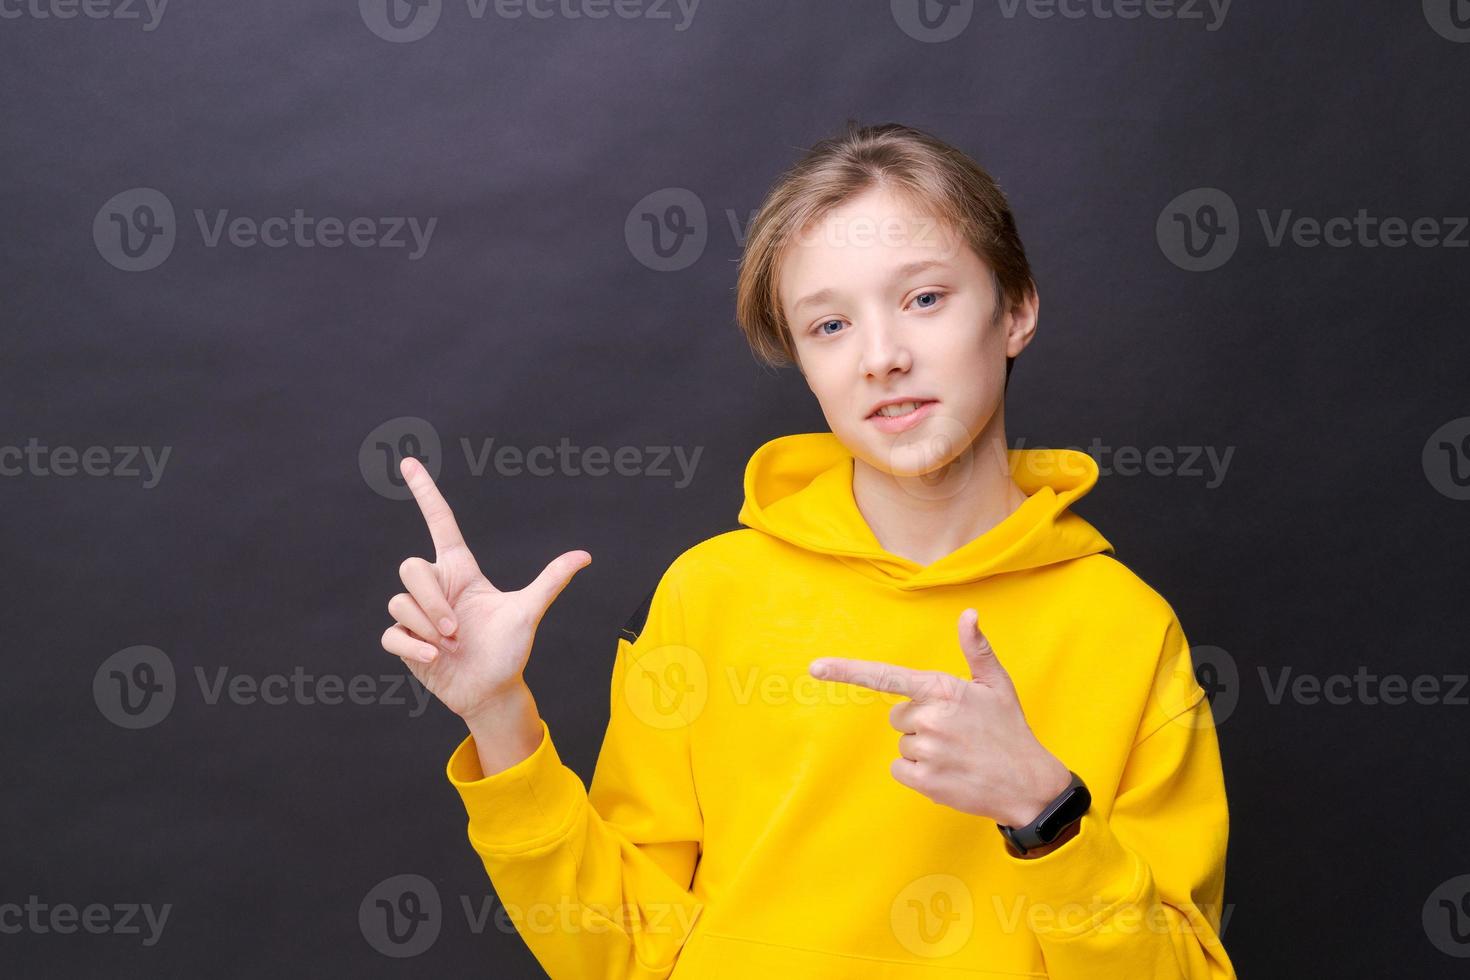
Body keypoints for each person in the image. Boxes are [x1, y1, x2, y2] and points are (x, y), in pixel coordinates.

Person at [381, 120, 1236, 979]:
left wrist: (1045, 811)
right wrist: (498, 716)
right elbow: (622, 952)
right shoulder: (710, 595)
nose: (882, 358)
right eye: (829, 325)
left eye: (925, 299)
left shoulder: (1126, 628)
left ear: (1016, 311)